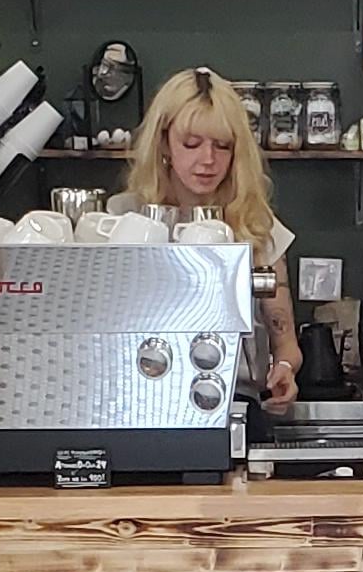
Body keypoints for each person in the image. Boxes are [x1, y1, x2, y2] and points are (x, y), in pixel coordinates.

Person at [126, 66, 299, 406]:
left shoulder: (256, 224)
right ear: (163, 142)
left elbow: (287, 344)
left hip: (236, 401)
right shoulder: (128, 220)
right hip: (146, 400)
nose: (208, 160)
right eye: (191, 144)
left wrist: (284, 370)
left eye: (222, 146)